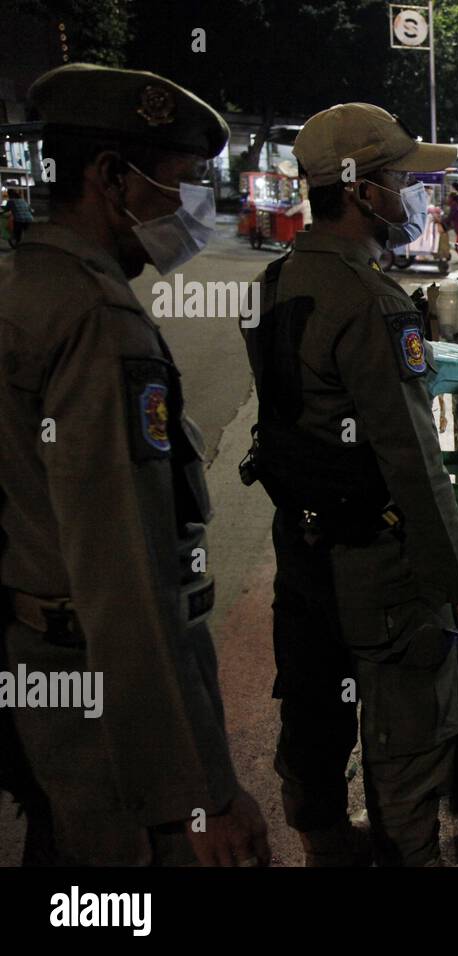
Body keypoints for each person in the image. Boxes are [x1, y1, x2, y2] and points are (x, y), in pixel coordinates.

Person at [0, 63, 269, 865]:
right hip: (106, 708)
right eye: (179, 182)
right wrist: (200, 794)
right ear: (111, 177)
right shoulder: (97, 320)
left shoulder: (23, 286)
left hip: (39, 671)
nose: (188, 209)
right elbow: (124, 573)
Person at [241, 102, 458, 867]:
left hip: (304, 550)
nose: (416, 195)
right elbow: (413, 464)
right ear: (362, 191)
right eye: (403, 179)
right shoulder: (374, 303)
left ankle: (323, 844)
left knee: (315, 712)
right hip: (377, 569)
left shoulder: (277, 277)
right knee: (408, 739)